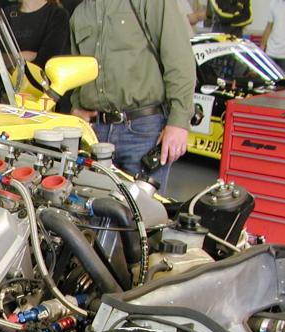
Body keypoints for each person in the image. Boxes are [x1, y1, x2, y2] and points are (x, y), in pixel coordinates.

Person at [69, 0, 196, 190]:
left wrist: (178, 122)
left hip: (143, 130)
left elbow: (179, 59)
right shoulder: (80, 13)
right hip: (95, 132)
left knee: (142, 206)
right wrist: (76, 106)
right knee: (93, 204)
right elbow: (77, 70)